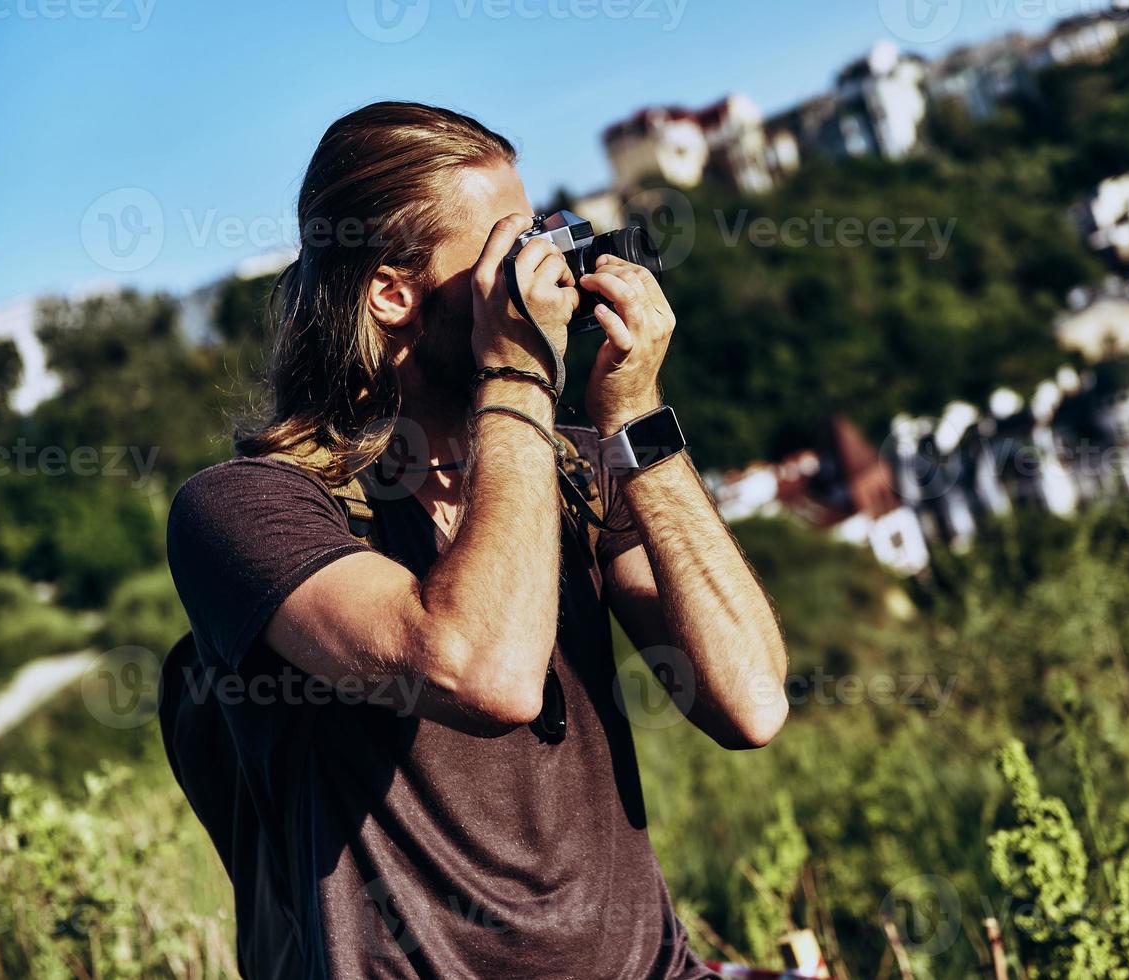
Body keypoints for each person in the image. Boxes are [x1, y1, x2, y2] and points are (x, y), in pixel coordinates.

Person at [165, 101, 789, 979]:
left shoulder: (569, 473)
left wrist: (636, 419)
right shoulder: (250, 509)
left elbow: (750, 701)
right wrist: (519, 371)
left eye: (536, 237)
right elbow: (482, 673)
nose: (537, 274)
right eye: (504, 252)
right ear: (391, 293)